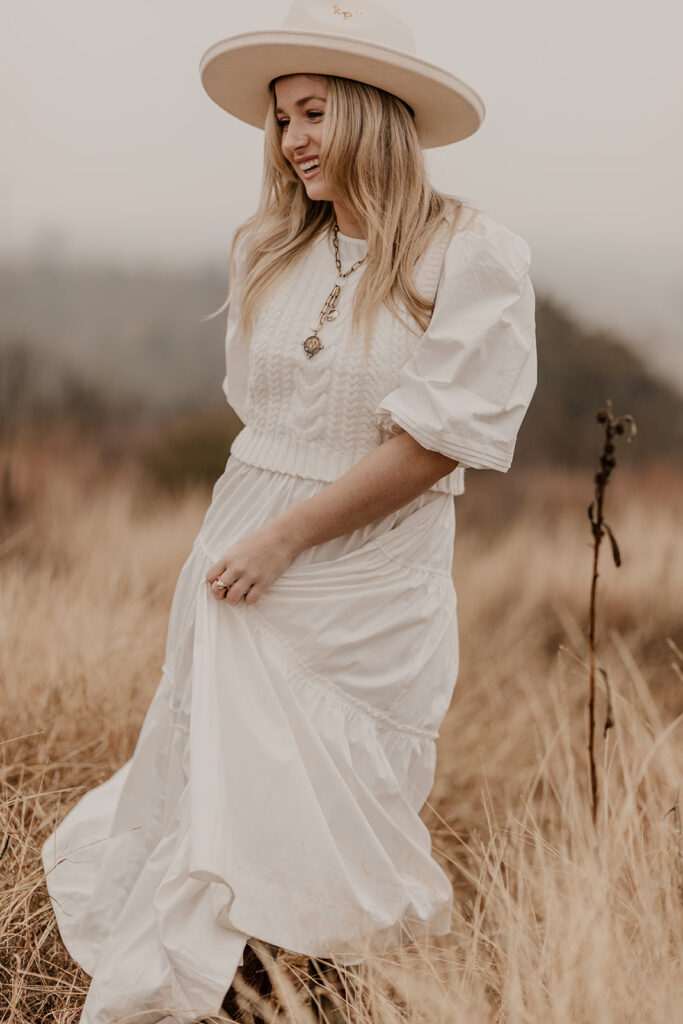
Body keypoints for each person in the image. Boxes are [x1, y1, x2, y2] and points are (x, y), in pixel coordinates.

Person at [41, 2, 537, 1022]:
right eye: (281, 120)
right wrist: (250, 536)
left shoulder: (470, 252)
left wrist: (284, 538)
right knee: (217, 802)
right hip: (240, 555)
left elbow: (431, 445)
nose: (293, 140)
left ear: (371, 113)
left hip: (358, 579)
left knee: (329, 824)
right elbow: (262, 421)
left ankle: (330, 999)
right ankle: (215, 1002)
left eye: (313, 112)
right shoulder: (267, 247)